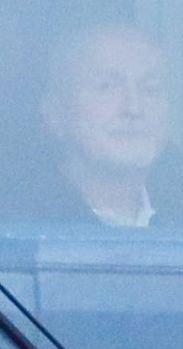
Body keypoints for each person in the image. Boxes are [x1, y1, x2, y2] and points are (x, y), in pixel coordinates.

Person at [36, 22, 172, 227]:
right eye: (106, 87)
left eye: (150, 89)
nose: (134, 108)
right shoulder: (14, 223)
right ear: (55, 113)